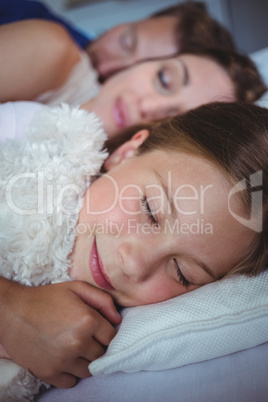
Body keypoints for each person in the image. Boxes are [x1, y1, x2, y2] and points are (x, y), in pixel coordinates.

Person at [0, 102, 267, 394]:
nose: (135, 264)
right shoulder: (24, 154)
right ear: (126, 154)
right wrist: (12, 307)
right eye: (150, 210)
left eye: (181, 273)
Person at [0, 46, 266, 141]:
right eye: (163, 79)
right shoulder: (53, 53)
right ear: (145, 61)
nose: (149, 106)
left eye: (176, 118)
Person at [0, 0, 236, 81]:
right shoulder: (21, 13)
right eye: (126, 43)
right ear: (125, 24)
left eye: (136, 73)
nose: (105, 68)